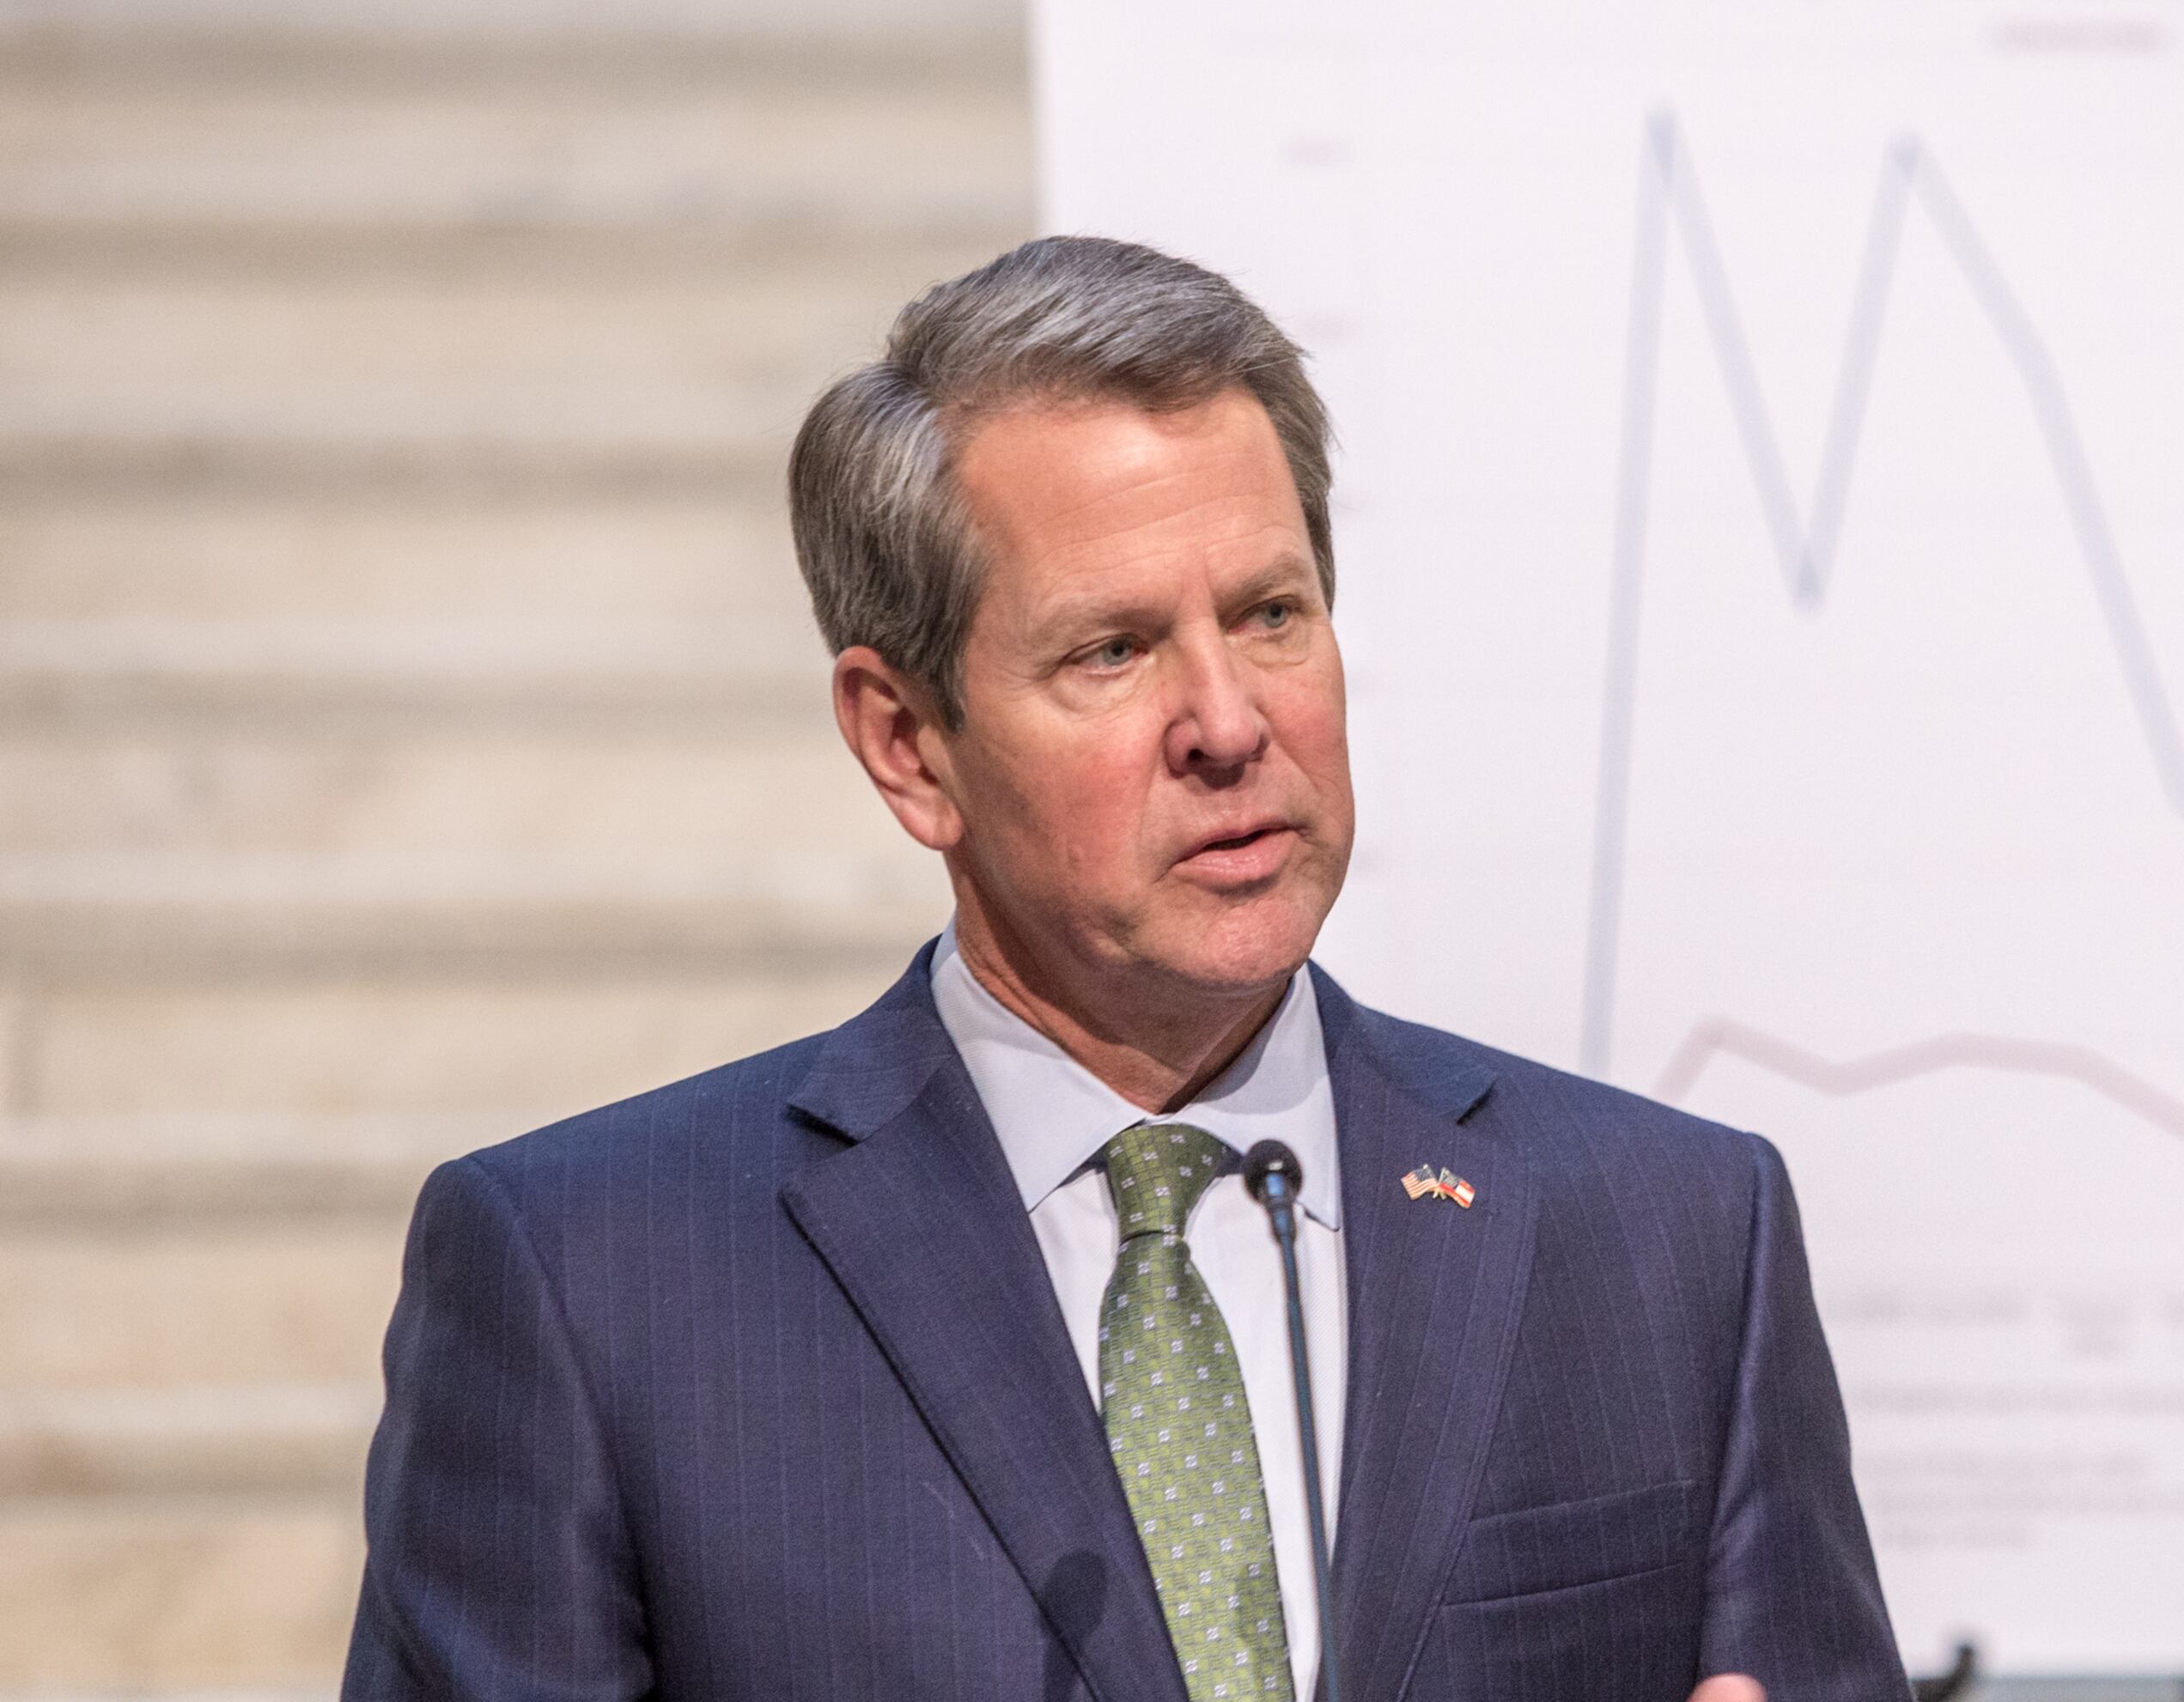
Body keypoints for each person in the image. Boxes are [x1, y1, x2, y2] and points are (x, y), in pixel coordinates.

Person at [341, 237, 1906, 1702]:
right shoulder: (593, 1284)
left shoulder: (1675, 1241)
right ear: (908, 745)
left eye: (1272, 615)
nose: (1229, 722)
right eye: (1113, 651)